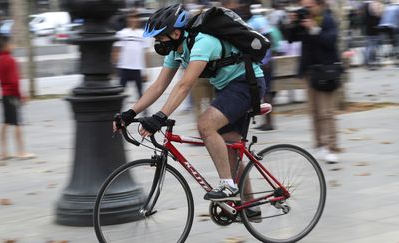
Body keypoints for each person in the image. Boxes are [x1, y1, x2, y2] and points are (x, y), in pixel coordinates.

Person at [114, 4, 266, 201]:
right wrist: (130, 113)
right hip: (226, 88)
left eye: (160, 37)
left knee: (205, 125)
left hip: (246, 83)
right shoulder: (176, 51)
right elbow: (158, 86)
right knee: (230, 146)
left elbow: (185, 85)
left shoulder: (203, 42)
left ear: (176, 33)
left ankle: (228, 185)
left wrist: (160, 117)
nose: (157, 43)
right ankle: (252, 206)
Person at [287, 0, 340, 163]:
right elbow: (290, 39)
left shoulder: (328, 19)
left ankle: (332, 147)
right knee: (314, 112)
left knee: (327, 112)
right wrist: (293, 23)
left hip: (326, 72)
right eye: (304, 6)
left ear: (319, 5)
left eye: (309, 6)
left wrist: (314, 29)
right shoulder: (304, 19)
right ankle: (319, 145)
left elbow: (330, 42)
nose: (306, 9)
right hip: (310, 72)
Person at [0, 36, 34, 163]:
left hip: (4, 94)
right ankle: (21, 152)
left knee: (5, 122)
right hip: (12, 95)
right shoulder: (11, 60)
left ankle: (3, 152)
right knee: (17, 123)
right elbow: (14, 80)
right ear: (5, 46)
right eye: (11, 44)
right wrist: (21, 95)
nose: (13, 45)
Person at [112, 11, 151, 99]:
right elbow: (116, 51)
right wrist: (115, 69)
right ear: (128, 20)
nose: (133, 20)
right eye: (131, 17)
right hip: (124, 68)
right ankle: (118, 112)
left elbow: (146, 53)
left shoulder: (143, 34)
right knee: (120, 94)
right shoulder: (122, 33)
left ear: (138, 20)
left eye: (136, 17)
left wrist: (146, 71)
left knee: (140, 94)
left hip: (137, 68)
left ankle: (145, 112)